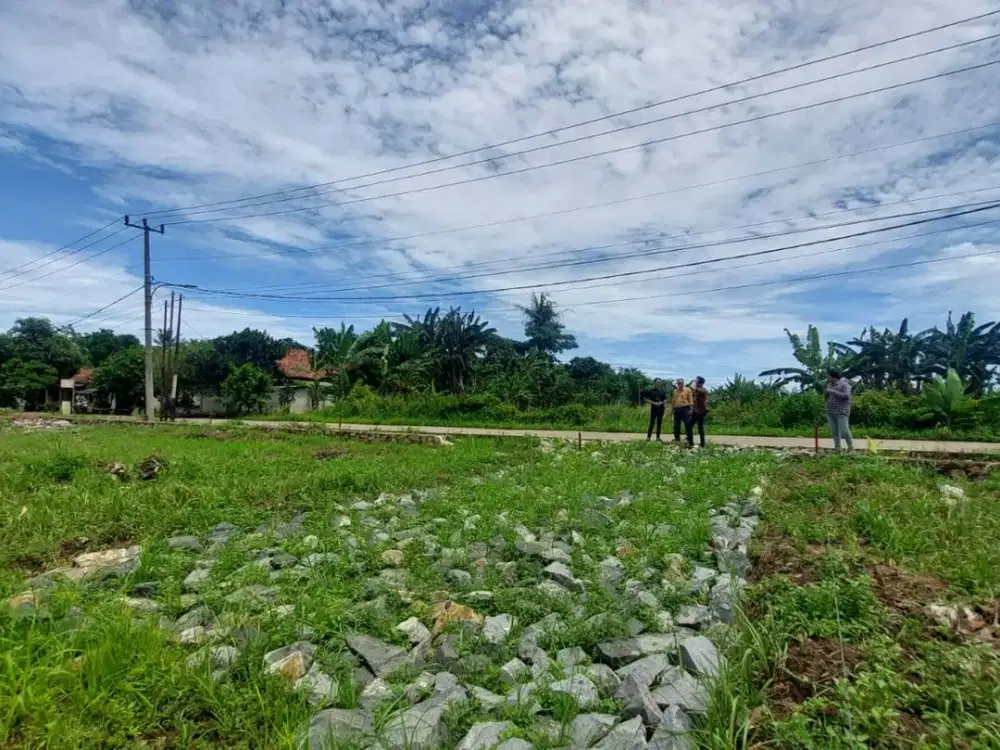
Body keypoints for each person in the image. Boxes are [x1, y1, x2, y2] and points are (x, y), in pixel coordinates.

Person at [825, 369, 854, 451]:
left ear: (833, 376)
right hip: (830, 411)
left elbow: (846, 396)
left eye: (828, 376)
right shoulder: (829, 385)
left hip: (841, 411)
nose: (827, 378)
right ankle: (837, 447)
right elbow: (827, 396)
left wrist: (832, 391)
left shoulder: (844, 384)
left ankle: (851, 447)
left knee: (844, 429)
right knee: (834, 431)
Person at [671, 378, 694, 446]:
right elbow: (673, 401)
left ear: (683, 383)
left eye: (681, 383)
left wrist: (691, 409)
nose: (680, 384)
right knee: (676, 425)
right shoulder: (675, 391)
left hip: (685, 409)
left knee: (687, 425)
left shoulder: (688, 390)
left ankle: (689, 438)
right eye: (678, 383)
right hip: (677, 409)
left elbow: (690, 400)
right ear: (677, 383)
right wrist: (672, 409)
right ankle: (677, 438)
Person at [691, 376, 709, 447]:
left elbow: (695, 389)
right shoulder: (695, 390)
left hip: (701, 412)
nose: (695, 382)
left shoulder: (703, 390)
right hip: (695, 411)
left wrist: (693, 385)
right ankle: (690, 442)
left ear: (700, 383)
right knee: (689, 427)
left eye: (696, 381)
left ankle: (702, 444)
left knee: (700, 428)